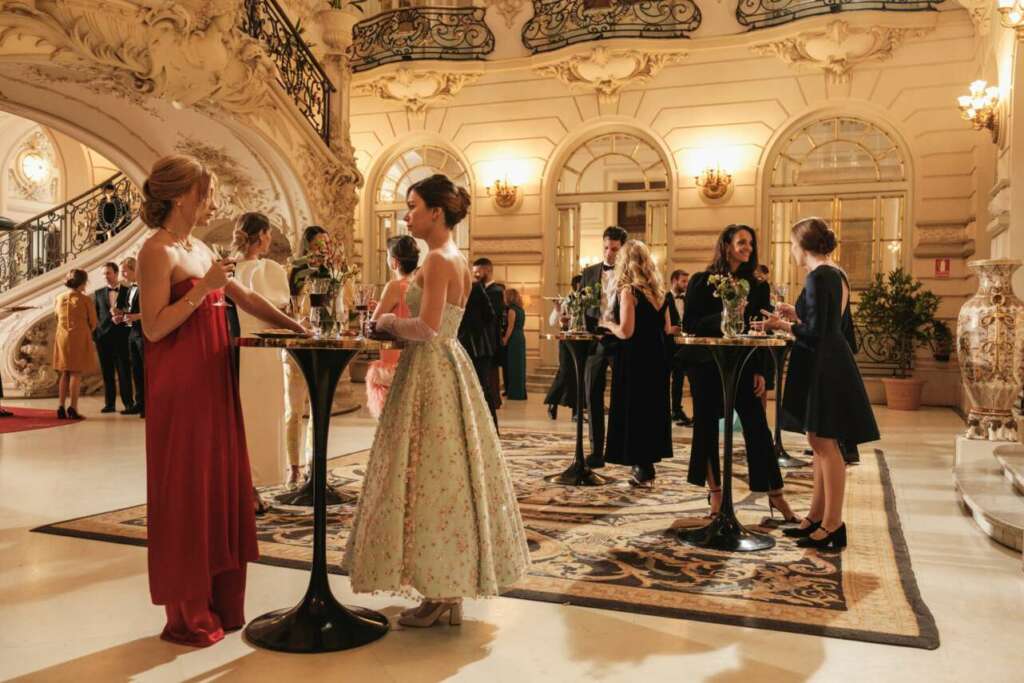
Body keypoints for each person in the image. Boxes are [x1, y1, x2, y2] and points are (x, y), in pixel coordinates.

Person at [346, 173, 530, 628]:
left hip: (430, 367)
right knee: (441, 477)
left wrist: (385, 322)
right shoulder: (454, 257)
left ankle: (443, 589)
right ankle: (444, 590)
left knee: (429, 476)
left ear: (436, 212)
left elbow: (427, 327)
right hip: (446, 365)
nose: (406, 215)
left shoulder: (438, 259)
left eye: (412, 206)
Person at [137, 154, 304, 647]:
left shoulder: (200, 248)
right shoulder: (156, 251)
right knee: (188, 487)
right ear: (181, 197)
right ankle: (189, 612)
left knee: (220, 483)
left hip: (214, 377)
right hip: (181, 384)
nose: (214, 203)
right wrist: (202, 291)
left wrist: (297, 327)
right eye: (207, 194)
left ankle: (222, 602)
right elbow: (154, 328)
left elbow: (246, 299)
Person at [759, 217, 879, 550]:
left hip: (823, 365)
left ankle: (833, 525)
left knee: (825, 443)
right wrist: (795, 315)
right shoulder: (834, 273)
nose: (792, 251)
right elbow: (826, 324)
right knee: (818, 441)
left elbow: (817, 333)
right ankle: (815, 517)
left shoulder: (818, 276)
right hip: (829, 361)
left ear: (803, 245)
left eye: (792, 245)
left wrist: (780, 325)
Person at [683, 224, 798, 522]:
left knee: (757, 426)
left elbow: (761, 329)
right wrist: (728, 314)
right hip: (706, 364)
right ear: (726, 246)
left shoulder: (757, 286)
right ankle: (716, 495)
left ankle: (776, 495)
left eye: (750, 243)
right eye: (741, 242)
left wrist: (760, 371)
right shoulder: (700, 282)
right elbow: (691, 324)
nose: (748, 248)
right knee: (706, 427)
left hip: (744, 365)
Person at [600, 240, 673, 485]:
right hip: (657, 358)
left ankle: (641, 467)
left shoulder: (629, 291)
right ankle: (647, 467)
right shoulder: (660, 293)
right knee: (652, 411)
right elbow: (667, 328)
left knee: (635, 412)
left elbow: (626, 331)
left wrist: (607, 324)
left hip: (635, 359)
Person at [232, 212, 291, 502]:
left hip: (234, 349)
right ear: (263, 235)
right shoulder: (268, 270)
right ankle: (251, 486)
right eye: (269, 234)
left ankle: (242, 483)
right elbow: (278, 309)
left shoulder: (229, 270)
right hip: (262, 349)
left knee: (241, 417)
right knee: (261, 416)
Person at [283, 225, 328, 486]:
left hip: (323, 345)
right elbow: (286, 307)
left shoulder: (333, 272)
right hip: (297, 346)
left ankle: (313, 465)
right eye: (320, 242)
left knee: (318, 410)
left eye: (327, 243)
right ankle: (294, 466)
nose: (324, 248)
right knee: (294, 410)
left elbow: (344, 307)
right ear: (308, 244)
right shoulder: (295, 270)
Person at [581, 225, 628, 468]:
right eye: (606, 248)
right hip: (596, 341)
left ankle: (621, 450)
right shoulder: (589, 273)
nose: (609, 253)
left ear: (623, 250)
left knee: (623, 397)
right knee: (592, 396)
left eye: (615, 249)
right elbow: (582, 306)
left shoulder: (631, 275)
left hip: (621, 341)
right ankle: (596, 452)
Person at [366, 235, 420, 418]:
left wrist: (373, 313)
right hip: (413, 355)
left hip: (393, 358)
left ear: (395, 262)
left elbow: (374, 324)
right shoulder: (417, 286)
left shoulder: (394, 286)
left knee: (390, 419)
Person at [53, 268, 98, 419]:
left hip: (62, 337)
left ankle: (60, 407)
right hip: (79, 337)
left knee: (64, 372)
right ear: (83, 282)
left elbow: (56, 317)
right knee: (76, 373)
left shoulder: (59, 298)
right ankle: (73, 407)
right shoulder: (85, 300)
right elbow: (93, 322)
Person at [457, 272, 500, 431]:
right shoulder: (475, 287)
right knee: (483, 388)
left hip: (469, 344)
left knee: (479, 388)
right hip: (477, 344)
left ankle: (484, 430)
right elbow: (490, 315)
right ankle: (490, 430)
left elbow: (490, 315)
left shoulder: (472, 287)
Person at [93, 261, 134, 414]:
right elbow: (95, 316)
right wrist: (96, 335)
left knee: (124, 372)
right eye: (103, 274)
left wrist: (122, 316)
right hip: (103, 339)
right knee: (107, 372)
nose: (106, 276)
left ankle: (128, 403)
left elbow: (133, 311)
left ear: (116, 273)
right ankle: (109, 404)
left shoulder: (128, 291)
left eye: (108, 273)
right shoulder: (98, 293)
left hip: (122, 337)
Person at [544, 275, 582, 421]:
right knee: (565, 372)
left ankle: (576, 412)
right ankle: (553, 403)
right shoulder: (566, 300)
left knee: (580, 376)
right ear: (574, 286)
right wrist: (557, 310)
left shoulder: (589, 301)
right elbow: (552, 321)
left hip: (582, 341)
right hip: (566, 341)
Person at [472, 257, 505, 408]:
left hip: (489, 339)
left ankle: (492, 403)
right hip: (481, 340)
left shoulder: (496, 291)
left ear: (487, 270)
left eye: (478, 272)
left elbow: (491, 316)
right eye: (474, 272)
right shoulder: (480, 289)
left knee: (489, 376)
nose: (475, 275)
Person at [114, 257, 145, 417]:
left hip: (144, 333)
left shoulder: (146, 287)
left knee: (146, 371)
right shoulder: (130, 288)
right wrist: (121, 317)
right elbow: (131, 311)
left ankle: (148, 406)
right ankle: (139, 404)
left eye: (124, 271)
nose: (122, 275)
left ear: (134, 269)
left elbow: (152, 312)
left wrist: (135, 317)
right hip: (132, 333)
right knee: (136, 370)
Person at [664, 269, 692, 427]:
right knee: (664, 379)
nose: (686, 284)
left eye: (687, 281)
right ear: (674, 281)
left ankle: (676, 410)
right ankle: (663, 411)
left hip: (683, 345)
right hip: (667, 344)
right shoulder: (663, 298)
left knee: (679, 379)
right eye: (683, 281)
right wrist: (668, 329)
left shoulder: (688, 299)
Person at [502, 287, 527, 400]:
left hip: (514, 339)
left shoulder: (512, 310)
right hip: (520, 337)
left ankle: (515, 393)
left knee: (513, 365)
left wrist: (505, 339)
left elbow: (510, 327)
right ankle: (520, 392)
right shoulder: (521, 309)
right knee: (519, 365)